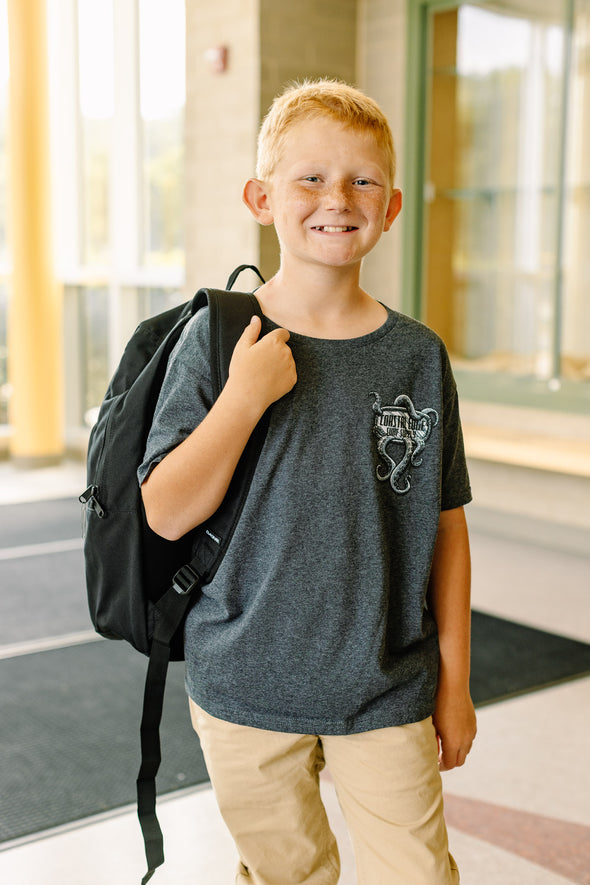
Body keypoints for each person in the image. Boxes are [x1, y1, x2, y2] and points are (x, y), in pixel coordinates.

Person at [138, 78, 477, 884]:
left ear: (391, 208)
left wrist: (456, 684)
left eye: (364, 179)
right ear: (262, 196)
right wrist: (243, 398)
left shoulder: (417, 356)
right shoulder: (218, 340)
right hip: (244, 688)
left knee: (418, 873)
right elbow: (164, 510)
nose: (339, 198)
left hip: (385, 683)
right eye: (311, 178)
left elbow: (447, 529)